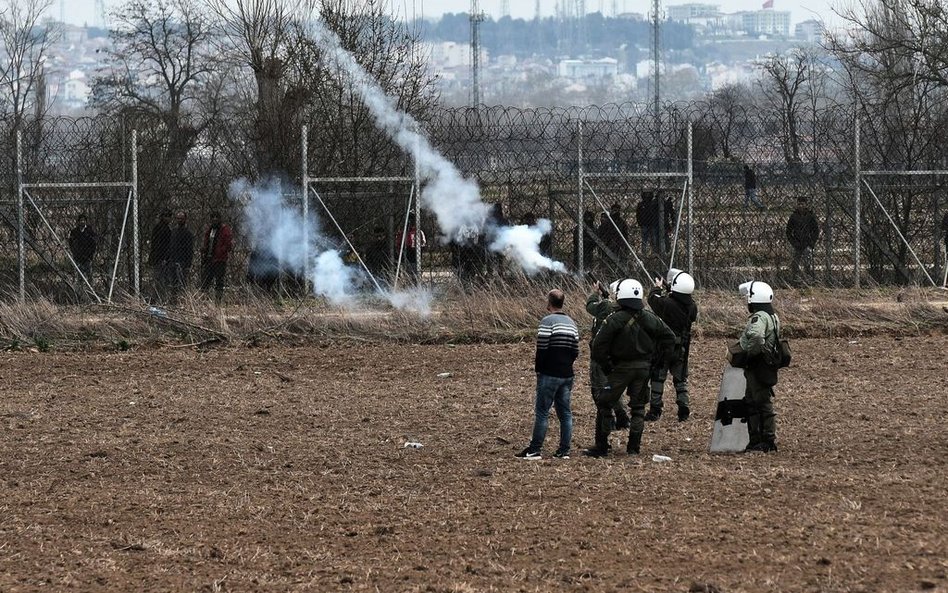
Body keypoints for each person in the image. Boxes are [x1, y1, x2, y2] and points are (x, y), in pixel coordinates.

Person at [585, 279, 675, 457]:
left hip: (620, 369)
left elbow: (598, 346)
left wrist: (607, 366)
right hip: (643, 368)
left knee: (604, 402)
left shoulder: (614, 319)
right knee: (639, 408)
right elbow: (669, 338)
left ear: (620, 296)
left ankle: (602, 445)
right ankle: (634, 448)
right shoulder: (649, 317)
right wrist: (658, 362)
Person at [516, 288, 580, 460]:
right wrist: (566, 365)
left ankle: (535, 450)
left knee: (542, 411)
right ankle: (564, 451)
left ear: (549, 303)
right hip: (567, 374)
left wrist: (539, 369)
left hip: (549, 373)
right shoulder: (572, 323)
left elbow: (542, 348)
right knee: (565, 413)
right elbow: (575, 350)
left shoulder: (547, 321)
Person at [645, 269, 698, 422]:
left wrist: (657, 287)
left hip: (663, 347)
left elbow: (652, 298)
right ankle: (683, 408)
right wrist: (671, 290)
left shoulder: (666, 304)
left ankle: (655, 410)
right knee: (680, 379)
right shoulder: (692, 307)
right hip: (682, 348)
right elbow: (679, 301)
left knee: (658, 377)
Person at [735, 281, 782, 453]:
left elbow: (755, 336)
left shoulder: (759, 317)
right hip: (766, 364)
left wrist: (749, 354)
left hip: (758, 365)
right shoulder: (772, 316)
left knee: (760, 403)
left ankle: (766, 440)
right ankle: (757, 440)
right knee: (752, 401)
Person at [586, 280, 631, 431]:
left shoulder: (605, 305)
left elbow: (590, 306)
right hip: (616, 354)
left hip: (600, 355)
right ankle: (621, 415)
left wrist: (594, 293)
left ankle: (607, 420)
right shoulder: (623, 309)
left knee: (599, 388)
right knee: (612, 386)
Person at [200, 211, 234, 303]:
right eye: (213, 217)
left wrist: (220, 251)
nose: (215, 219)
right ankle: (204, 301)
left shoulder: (225, 230)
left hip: (220, 260)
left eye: (217, 217)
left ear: (220, 219)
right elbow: (206, 242)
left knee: (219, 281)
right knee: (205, 280)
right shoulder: (210, 230)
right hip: (209, 259)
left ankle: (217, 302)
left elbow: (228, 245)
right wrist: (204, 250)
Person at [786, 196, 820, 282]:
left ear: (806, 205)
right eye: (799, 204)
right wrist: (793, 242)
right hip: (796, 243)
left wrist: (812, 242)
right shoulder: (793, 217)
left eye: (802, 204)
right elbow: (788, 231)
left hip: (807, 243)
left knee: (808, 263)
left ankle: (809, 279)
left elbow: (815, 230)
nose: (801, 206)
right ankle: (795, 279)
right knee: (795, 263)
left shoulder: (810, 216)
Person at [167, 211, 194, 297]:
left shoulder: (188, 233)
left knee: (182, 282)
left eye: (181, 219)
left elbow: (189, 249)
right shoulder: (173, 232)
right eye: (178, 218)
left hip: (182, 261)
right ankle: (173, 298)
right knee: (172, 282)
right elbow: (170, 246)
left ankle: (182, 298)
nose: (179, 220)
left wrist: (188, 264)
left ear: (185, 219)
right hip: (172, 260)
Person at [68, 214, 97, 290]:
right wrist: (75, 253)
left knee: (89, 276)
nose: (82, 222)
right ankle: (80, 292)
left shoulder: (90, 231)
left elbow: (94, 244)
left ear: (86, 222)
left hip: (88, 257)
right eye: (81, 220)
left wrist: (91, 254)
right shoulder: (74, 232)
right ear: (78, 222)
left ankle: (91, 291)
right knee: (80, 277)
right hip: (78, 257)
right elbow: (71, 243)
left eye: (84, 220)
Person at [149, 209, 173, 296]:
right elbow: (158, 245)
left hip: (162, 257)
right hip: (160, 257)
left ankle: (159, 296)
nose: (168, 218)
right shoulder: (161, 228)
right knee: (159, 279)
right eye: (166, 216)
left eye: (169, 216)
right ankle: (157, 297)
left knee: (161, 279)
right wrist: (163, 258)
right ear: (162, 217)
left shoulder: (165, 228)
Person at [396, 219, 426, 284]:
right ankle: (409, 283)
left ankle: (416, 283)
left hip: (415, 254)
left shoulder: (419, 232)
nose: (411, 225)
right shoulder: (403, 233)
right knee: (408, 272)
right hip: (406, 254)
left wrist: (418, 246)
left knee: (415, 272)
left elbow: (423, 243)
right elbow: (398, 244)